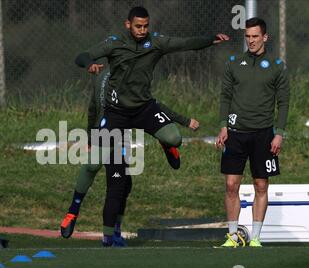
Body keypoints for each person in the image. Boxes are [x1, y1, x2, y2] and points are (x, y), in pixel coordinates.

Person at [73, 6, 228, 246]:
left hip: (144, 109)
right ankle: (104, 231)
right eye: (138, 26)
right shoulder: (114, 44)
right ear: (128, 25)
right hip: (118, 114)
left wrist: (210, 39)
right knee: (104, 167)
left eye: (146, 26)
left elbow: (184, 43)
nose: (142, 30)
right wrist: (89, 64)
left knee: (174, 138)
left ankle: (165, 144)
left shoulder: (155, 42)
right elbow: (83, 55)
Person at [60, 66, 200, 242]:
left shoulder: (132, 74)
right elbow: (92, 107)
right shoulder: (102, 75)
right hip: (104, 131)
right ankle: (75, 212)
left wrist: (181, 121)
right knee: (100, 172)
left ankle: (111, 237)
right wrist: (90, 137)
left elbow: (152, 105)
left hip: (119, 132)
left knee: (121, 183)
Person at [215, 18, 290, 248]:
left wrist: (279, 133)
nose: (251, 41)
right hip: (236, 133)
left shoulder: (277, 66)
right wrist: (223, 125)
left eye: (255, 36)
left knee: (260, 186)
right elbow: (225, 96)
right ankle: (232, 236)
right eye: (247, 36)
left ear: (265, 37)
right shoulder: (234, 63)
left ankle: (256, 238)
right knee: (230, 185)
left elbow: (284, 102)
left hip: (264, 134)